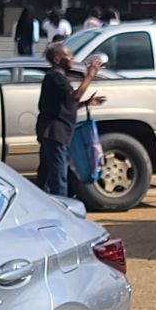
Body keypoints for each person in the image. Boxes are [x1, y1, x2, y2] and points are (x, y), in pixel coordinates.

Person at [35, 43, 106, 197]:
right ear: (57, 59)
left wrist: (87, 103)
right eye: (69, 55)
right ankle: (62, 209)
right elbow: (74, 96)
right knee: (59, 176)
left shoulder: (57, 77)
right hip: (55, 133)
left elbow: (67, 104)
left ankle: (41, 204)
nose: (72, 58)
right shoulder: (55, 76)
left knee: (46, 175)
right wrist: (90, 75)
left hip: (52, 132)